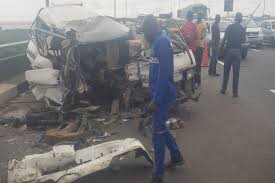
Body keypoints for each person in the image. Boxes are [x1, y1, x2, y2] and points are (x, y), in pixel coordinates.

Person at [142, 15, 184, 183]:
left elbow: (164, 75)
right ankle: (176, 156)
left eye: (145, 32)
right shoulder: (156, 41)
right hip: (158, 93)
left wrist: (157, 100)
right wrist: (151, 92)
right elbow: (155, 70)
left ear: (152, 29)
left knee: (157, 135)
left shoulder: (162, 42)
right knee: (160, 128)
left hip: (163, 95)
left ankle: (158, 175)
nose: (144, 35)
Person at [220, 12, 246, 98]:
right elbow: (244, 41)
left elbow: (224, 39)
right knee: (236, 74)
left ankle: (223, 90)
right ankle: (235, 93)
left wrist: (221, 49)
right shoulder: (242, 29)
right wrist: (243, 32)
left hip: (229, 52)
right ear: (240, 19)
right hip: (237, 53)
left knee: (226, 72)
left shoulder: (229, 27)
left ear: (235, 18)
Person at [195, 12, 208, 85]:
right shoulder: (195, 23)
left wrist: (199, 38)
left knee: (198, 64)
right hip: (194, 46)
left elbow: (205, 34)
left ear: (201, 16)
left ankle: (198, 81)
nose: (198, 17)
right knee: (194, 64)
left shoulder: (204, 24)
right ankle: (195, 80)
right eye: (197, 15)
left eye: (200, 16)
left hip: (200, 46)